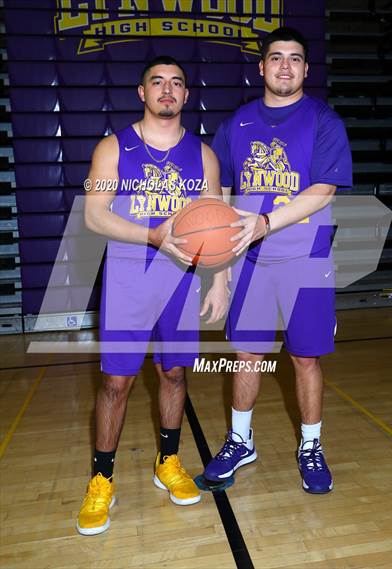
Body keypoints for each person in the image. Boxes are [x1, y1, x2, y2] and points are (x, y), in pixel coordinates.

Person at [77, 56, 229, 535]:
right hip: (127, 279)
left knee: (174, 374)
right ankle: (102, 477)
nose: (167, 90)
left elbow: (219, 223)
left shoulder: (204, 156)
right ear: (141, 93)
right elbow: (94, 216)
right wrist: (152, 235)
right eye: (157, 82)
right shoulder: (112, 148)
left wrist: (221, 281)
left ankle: (168, 461)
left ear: (186, 96)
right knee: (116, 384)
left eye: (176, 83)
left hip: (180, 282)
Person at [204, 27, 352, 494]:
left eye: (294, 59)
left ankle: (311, 445)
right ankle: (240, 440)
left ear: (306, 69)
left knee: (305, 358)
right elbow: (221, 205)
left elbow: (321, 190)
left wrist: (267, 221)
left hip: (306, 261)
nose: (284, 66)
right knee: (247, 354)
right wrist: (220, 276)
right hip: (249, 264)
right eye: (276, 58)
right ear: (262, 67)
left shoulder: (324, 121)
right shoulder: (237, 125)